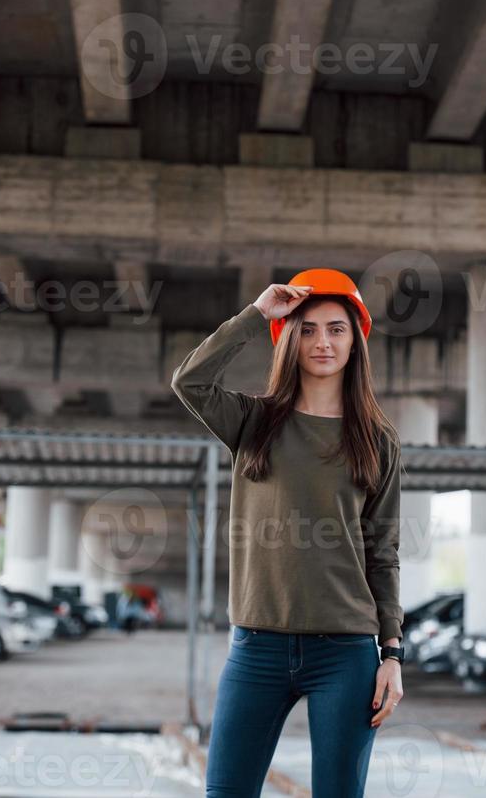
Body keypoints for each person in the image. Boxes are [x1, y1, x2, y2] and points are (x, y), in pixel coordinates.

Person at [171, 269, 405, 798]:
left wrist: (392, 654)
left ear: (356, 340)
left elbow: (383, 553)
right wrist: (256, 315)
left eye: (337, 328)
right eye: (308, 329)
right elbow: (189, 382)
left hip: (345, 654)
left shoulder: (378, 441)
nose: (322, 341)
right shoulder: (254, 423)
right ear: (288, 338)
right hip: (257, 648)